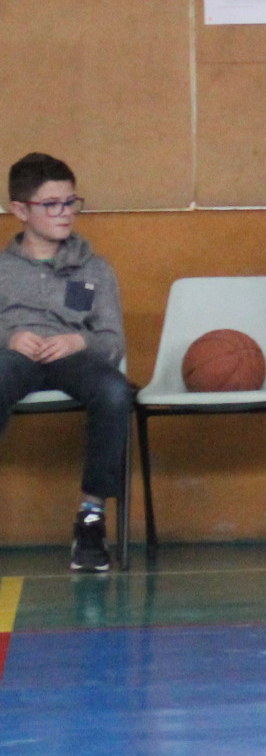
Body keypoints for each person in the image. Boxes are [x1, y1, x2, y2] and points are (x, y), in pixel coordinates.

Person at [0, 154, 134, 572]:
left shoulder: (95, 269)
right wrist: (9, 338)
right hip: (14, 357)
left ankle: (91, 518)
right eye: (51, 204)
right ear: (21, 210)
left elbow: (112, 341)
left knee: (114, 391)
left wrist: (78, 340)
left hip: (73, 359)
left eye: (70, 202)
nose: (64, 212)